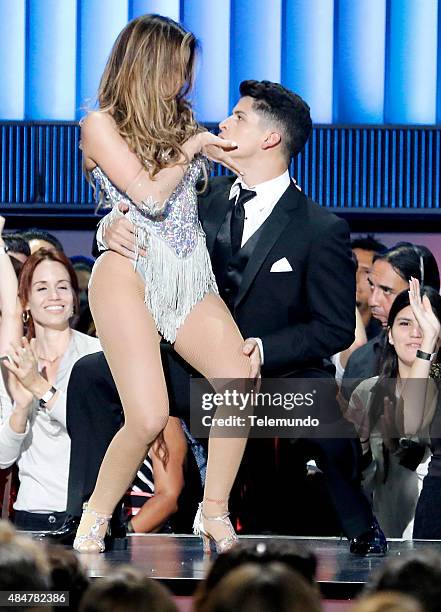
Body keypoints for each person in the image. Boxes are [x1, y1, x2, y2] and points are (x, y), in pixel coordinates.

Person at [90, 77, 386, 555]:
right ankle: (90, 513)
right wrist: (109, 228)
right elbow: (137, 220)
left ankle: (356, 521)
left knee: (323, 410)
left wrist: (265, 350)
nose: (223, 122)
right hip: (190, 359)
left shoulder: (321, 227)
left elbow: (333, 326)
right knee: (91, 374)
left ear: (271, 138)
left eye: (239, 117)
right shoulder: (198, 195)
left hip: (272, 368)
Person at [73, 14, 255, 554]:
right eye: (178, 69)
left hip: (187, 270)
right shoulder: (99, 124)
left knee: (239, 381)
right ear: (148, 63)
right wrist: (193, 147)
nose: (185, 82)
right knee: (149, 414)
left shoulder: (185, 123)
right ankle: (96, 515)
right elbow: (148, 197)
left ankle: (215, 511)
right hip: (127, 271)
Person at [0, 217, 101, 531]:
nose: (54, 296)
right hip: (30, 517)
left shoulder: (99, 354)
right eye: (41, 288)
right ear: (27, 302)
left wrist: (39, 387)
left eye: (63, 287)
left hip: (91, 518)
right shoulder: (18, 359)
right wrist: (19, 407)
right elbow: (3, 458)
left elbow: (95, 433)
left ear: (75, 298)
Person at [345, 280, 441, 537]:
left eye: (424, 324)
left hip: (430, 523)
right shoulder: (368, 391)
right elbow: (353, 472)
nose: (415, 333)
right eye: (404, 323)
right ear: (389, 333)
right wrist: (360, 445)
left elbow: (413, 426)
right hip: (384, 527)